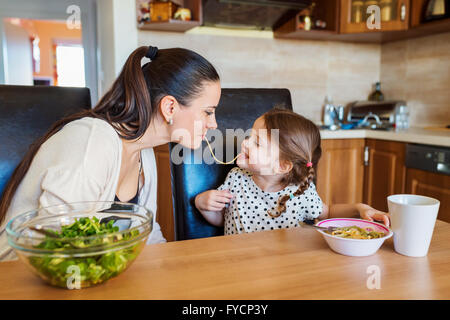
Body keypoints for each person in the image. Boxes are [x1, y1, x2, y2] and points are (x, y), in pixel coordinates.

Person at [0, 46, 222, 261]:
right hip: (20, 279)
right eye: (208, 112)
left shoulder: (144, 153)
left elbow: (147, 237)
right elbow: (60, 245)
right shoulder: (92, 140)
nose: (213, 124)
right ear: (170, 107)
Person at [195, 108, 390, 234]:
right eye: (249, 136)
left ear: (282, 166)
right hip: (237, 262)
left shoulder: (300, 191)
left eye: (256, 143)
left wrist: (360, 208)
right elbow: (223, 221)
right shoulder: (235, 178)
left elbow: (328, 212)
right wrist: (203, 204)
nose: (245, 143)